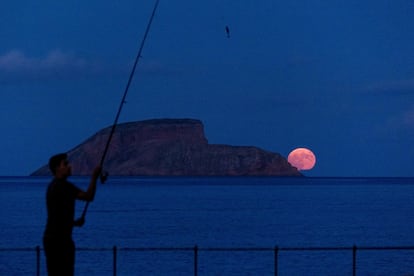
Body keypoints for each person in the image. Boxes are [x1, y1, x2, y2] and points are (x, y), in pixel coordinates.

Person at [43, 153, 101, 276]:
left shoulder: (55, 186)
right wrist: (94, 178)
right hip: (60, 241)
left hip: (53, 239)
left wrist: (73, 223)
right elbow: (88, 196)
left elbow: (57, 217)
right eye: (65, 164)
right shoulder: (63, 187)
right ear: (57, 168)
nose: (69, 166)